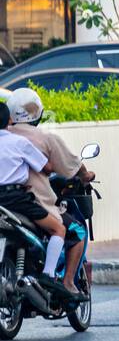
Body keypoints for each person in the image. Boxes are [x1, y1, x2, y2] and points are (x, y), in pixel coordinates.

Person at [6, 89, 94, 302]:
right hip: (34, 202)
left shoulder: (6, 136)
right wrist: (86, 175)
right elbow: (68, 166)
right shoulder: (45, 138)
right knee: (76, 231)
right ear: (38, 113)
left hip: (8, 202)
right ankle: (66, 282)